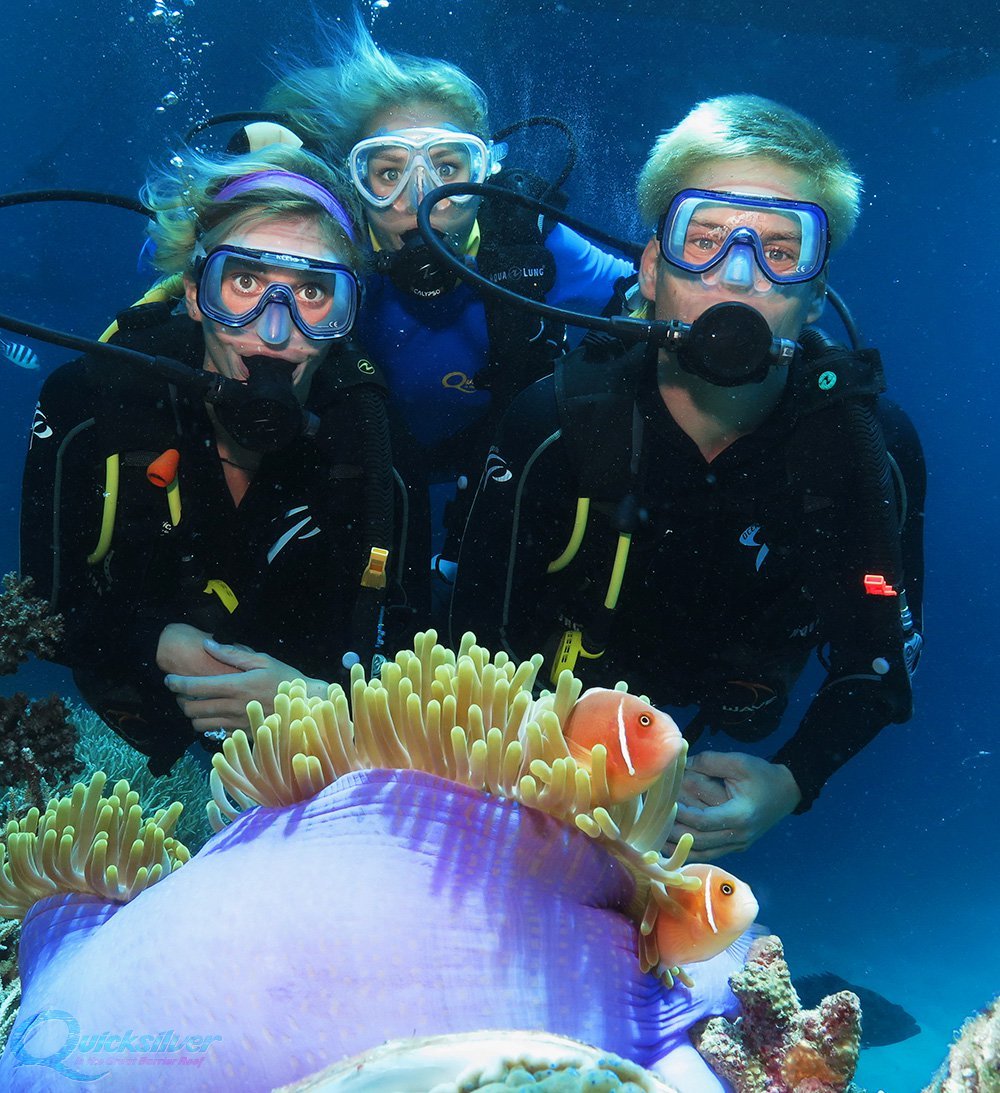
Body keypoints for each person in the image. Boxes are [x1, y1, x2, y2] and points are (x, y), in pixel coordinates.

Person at [450, 94, 926, 860]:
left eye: (780, 249)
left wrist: (793, 780)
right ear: (650, 265)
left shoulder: (867, 447)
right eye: (702, 238)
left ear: (814, 292)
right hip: (556, 721)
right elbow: (469, 633)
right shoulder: (553, 424)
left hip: (732, 706)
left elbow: (880, 665)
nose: (737, 275)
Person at [20, 145, 395, 773]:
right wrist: (160, 645)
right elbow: (40, 606)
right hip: (136, 720)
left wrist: (319, 703)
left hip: (308, 756)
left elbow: (414, 640)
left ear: (347, 312)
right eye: (244, 282)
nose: (273, 333)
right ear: (196, 293)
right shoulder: (92, 404)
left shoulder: (371, 435)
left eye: (311, 291)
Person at [262, 19, 634, 583]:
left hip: (496, 464)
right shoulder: (328, 250)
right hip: (353, 461)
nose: (421, 199)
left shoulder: (526, 238)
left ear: (483, 172)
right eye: (388, 172)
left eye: (447, 168)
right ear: (354, 181)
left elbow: (642, 293)